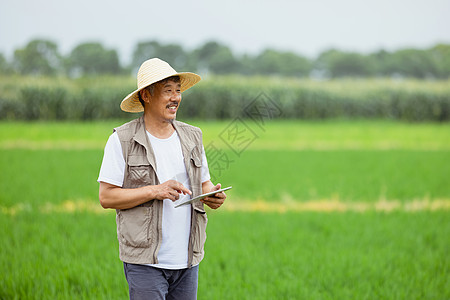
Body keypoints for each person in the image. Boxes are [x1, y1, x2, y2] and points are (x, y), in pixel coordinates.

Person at [97, 58, 226, 299]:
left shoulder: (192, 136)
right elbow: (106, 196)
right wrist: (154, 191)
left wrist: (212, 194)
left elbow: (204, 182)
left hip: (187, 259)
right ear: (146, 95)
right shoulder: (122, 140)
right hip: (145, 262)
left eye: (178, 91)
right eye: (168, 91)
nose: (175, 97)